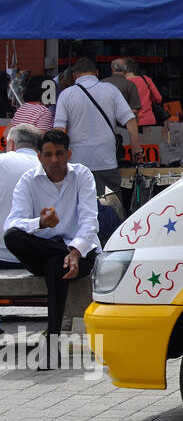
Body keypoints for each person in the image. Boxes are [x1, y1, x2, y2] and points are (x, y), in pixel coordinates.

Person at [2, 129, 99, 366]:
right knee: (13, 236)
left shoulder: (82, 175)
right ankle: (65, 256)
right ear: (39, 157)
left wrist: (75, 251)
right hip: (46, 249)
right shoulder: (28, 180)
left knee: (57, 265)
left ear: (68, 154)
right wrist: (40, 223)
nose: (54, 160)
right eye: (48, 155)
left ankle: (52, 343)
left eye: (59, 154)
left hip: (79, 253)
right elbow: (12, 223)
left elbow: (89, 221)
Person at [52, 57, 141, 196]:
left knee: (78, 204)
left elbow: (59, 130)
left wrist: (58, 158)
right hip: (106, 160)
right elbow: (130, 120)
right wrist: (136, 148)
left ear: (75, 74)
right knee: (110, 203)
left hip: (77, 161)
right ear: (97, 72)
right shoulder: (111, 90)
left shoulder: (66, 95)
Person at [0, 124, 43, 269]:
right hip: (40, 256)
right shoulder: (51, 167)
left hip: (3, 255)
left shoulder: (2, 161)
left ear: (11, 143)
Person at [124, 58, 163, 128]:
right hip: (148, 120)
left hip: (129, 122)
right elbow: (158, 99)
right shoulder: (146, 79)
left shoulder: (122, 83)